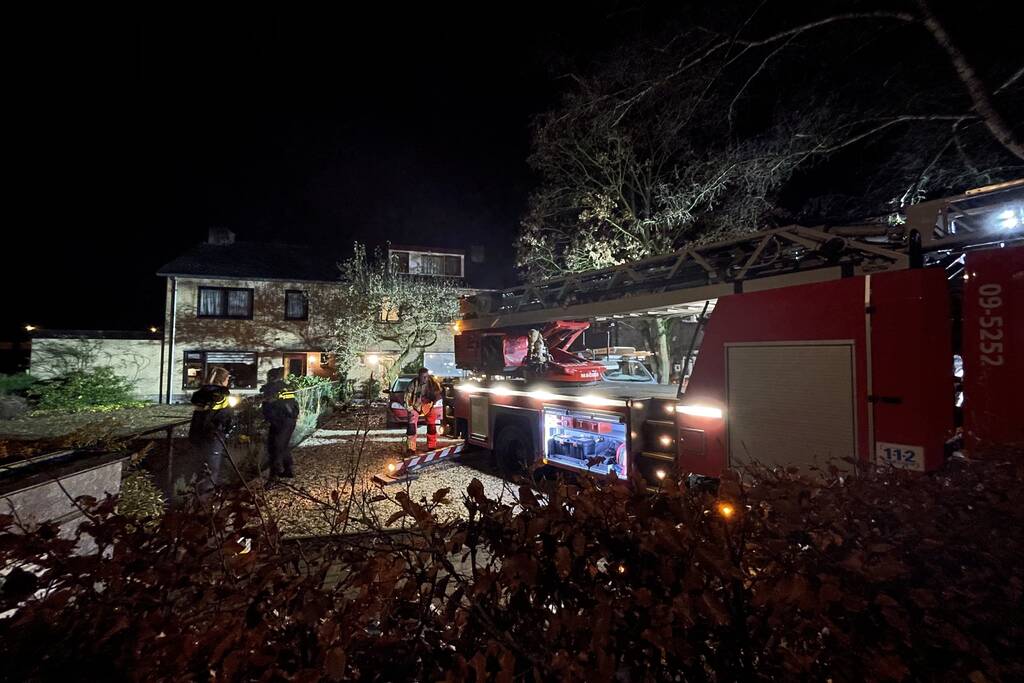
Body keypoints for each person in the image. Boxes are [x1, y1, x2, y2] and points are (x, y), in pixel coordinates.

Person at [188, 367, 235, 496]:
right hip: (213, 436)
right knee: (211, 468)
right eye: (227, 379)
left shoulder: (200, 394)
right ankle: (206, 500)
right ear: (223, 380)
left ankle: (195, 496)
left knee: (199, 465)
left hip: (196, 435)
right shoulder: (222, 395)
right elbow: (226, 416)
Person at [261, 367, 299, 480]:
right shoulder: (286, 387)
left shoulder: (271, 389)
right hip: (290, 420)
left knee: (274, 447)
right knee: (283, 444)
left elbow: (268, 406)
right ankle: (288, 469)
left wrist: (268, 419)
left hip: (279, 421)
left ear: (271, 377)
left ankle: (274, 475)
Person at [404, 367, 442, 453]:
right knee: (411, 427)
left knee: (432, 426)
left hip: (429, 405)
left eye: (426, 376)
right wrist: (409, 408)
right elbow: (407, 397)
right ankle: (411, 447)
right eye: (423, 377)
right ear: (419, 376)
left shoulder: (433, 383)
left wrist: (434, 403)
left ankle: (432, 446)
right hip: (415, 406)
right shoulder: (413, 383)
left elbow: (438, 393)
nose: (425, 379)